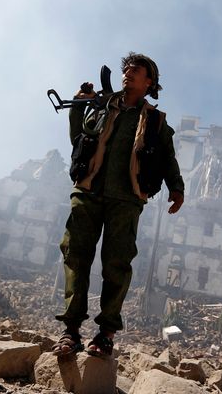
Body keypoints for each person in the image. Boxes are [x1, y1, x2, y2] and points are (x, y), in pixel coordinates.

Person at [52, 52, 185, 358]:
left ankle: (106, 333)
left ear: (149, 81)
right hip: (87, 190)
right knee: (76, 255)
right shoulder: (101, 106)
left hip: (126, 199)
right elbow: (79, 140)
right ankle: (70, 331)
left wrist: (176, 188)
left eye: (136, 70)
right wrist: (80, 104)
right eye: (126, 69)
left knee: (117, 264)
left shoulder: (155, 120)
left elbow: (167, 158)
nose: (128, 73)